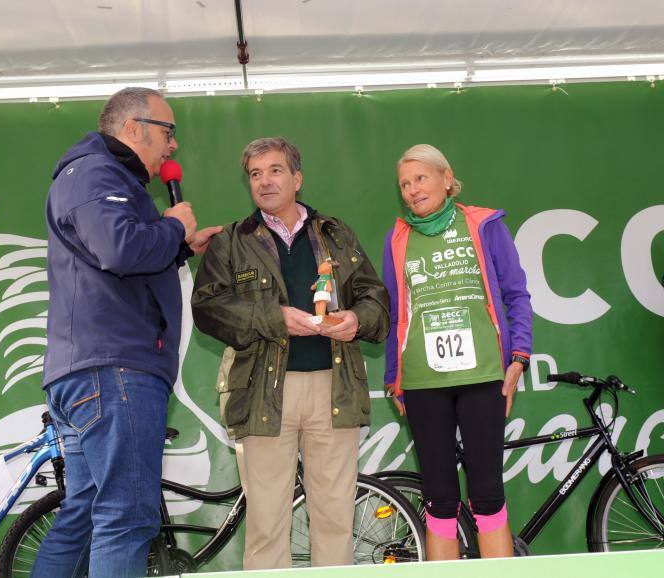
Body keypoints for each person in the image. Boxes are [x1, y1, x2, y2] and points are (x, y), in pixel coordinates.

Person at [33, 87, 221, 578]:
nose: (174, 145)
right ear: (134, 128)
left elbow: (115, 258)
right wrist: (174, 228)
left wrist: (178, 246)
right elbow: (119, 249)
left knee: (84, 516)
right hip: (114, 369)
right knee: (126, 517)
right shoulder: (99, 173)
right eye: (168, 131)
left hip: (90, 369)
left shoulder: (93, 175)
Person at [192, 137, 389, 569]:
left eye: (275, 170)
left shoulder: (336, 234)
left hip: (334, 391)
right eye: (255, 174)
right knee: (266, 522)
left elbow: (375, 298)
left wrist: (357, 319)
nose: (264, 182)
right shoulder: (230, 241)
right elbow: (208, 309)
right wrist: (274, 317)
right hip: (263, 393)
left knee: (336, 518)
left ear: (297, 178)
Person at [382, 144, 532, 560]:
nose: (412, 190)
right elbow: (397, 314)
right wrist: (395, 378)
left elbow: (516, 294)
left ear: (447, 178)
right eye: (405, 184)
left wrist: (519, 357)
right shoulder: (398, 238)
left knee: (487, 492)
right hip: (423, 382)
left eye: (421, 178)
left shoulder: (484, 225)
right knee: (439, 497)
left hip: (483, 376)